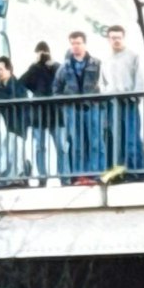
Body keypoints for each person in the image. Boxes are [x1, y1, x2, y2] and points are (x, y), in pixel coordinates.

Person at [53, 30, 104, 182]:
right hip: (72, 109)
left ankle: (96, 173)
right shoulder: (64, 67)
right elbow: (56, 88)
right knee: (76, 143)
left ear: (85, 44)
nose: (75, 46)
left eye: (78, 43)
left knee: (95, 142)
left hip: (92, 107)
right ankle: (79, 175)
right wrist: (65, 102)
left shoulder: (97, 64)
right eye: (73, 43)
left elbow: (104, 84)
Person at [102, 24, 144, 179]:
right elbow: (103, 83)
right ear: (108, 39)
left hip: (129, 101)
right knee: (117, 139)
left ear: (123, 38)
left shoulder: (133, 56)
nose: (116, 41)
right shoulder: (106, 60)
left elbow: (140, 79)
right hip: (113, 103)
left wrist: (135, 97)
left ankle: (137, 171)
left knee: (131, 138)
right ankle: (121, 171)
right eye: (113, 38)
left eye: (119, 38)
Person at [20, 40, 61, 185]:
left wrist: (51, 65)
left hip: (55, 113)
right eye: (39, 53)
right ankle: (42, 177)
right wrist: (35, 66)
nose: (41, 56)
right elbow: (22, 82)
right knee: (39, 147)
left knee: (60, 146)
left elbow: (60, 82)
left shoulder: (56, 67)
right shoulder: (34, 69)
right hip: (39, 114)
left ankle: (64, 176)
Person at [0, 56, 30, 186]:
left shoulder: (18, 86)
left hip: (17, 125)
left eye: (1, 69)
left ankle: (19, 177)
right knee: (7, 153)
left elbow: (19, 103)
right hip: (6, 126)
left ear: (9, 70)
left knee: (16, 152)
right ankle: (11, 178)